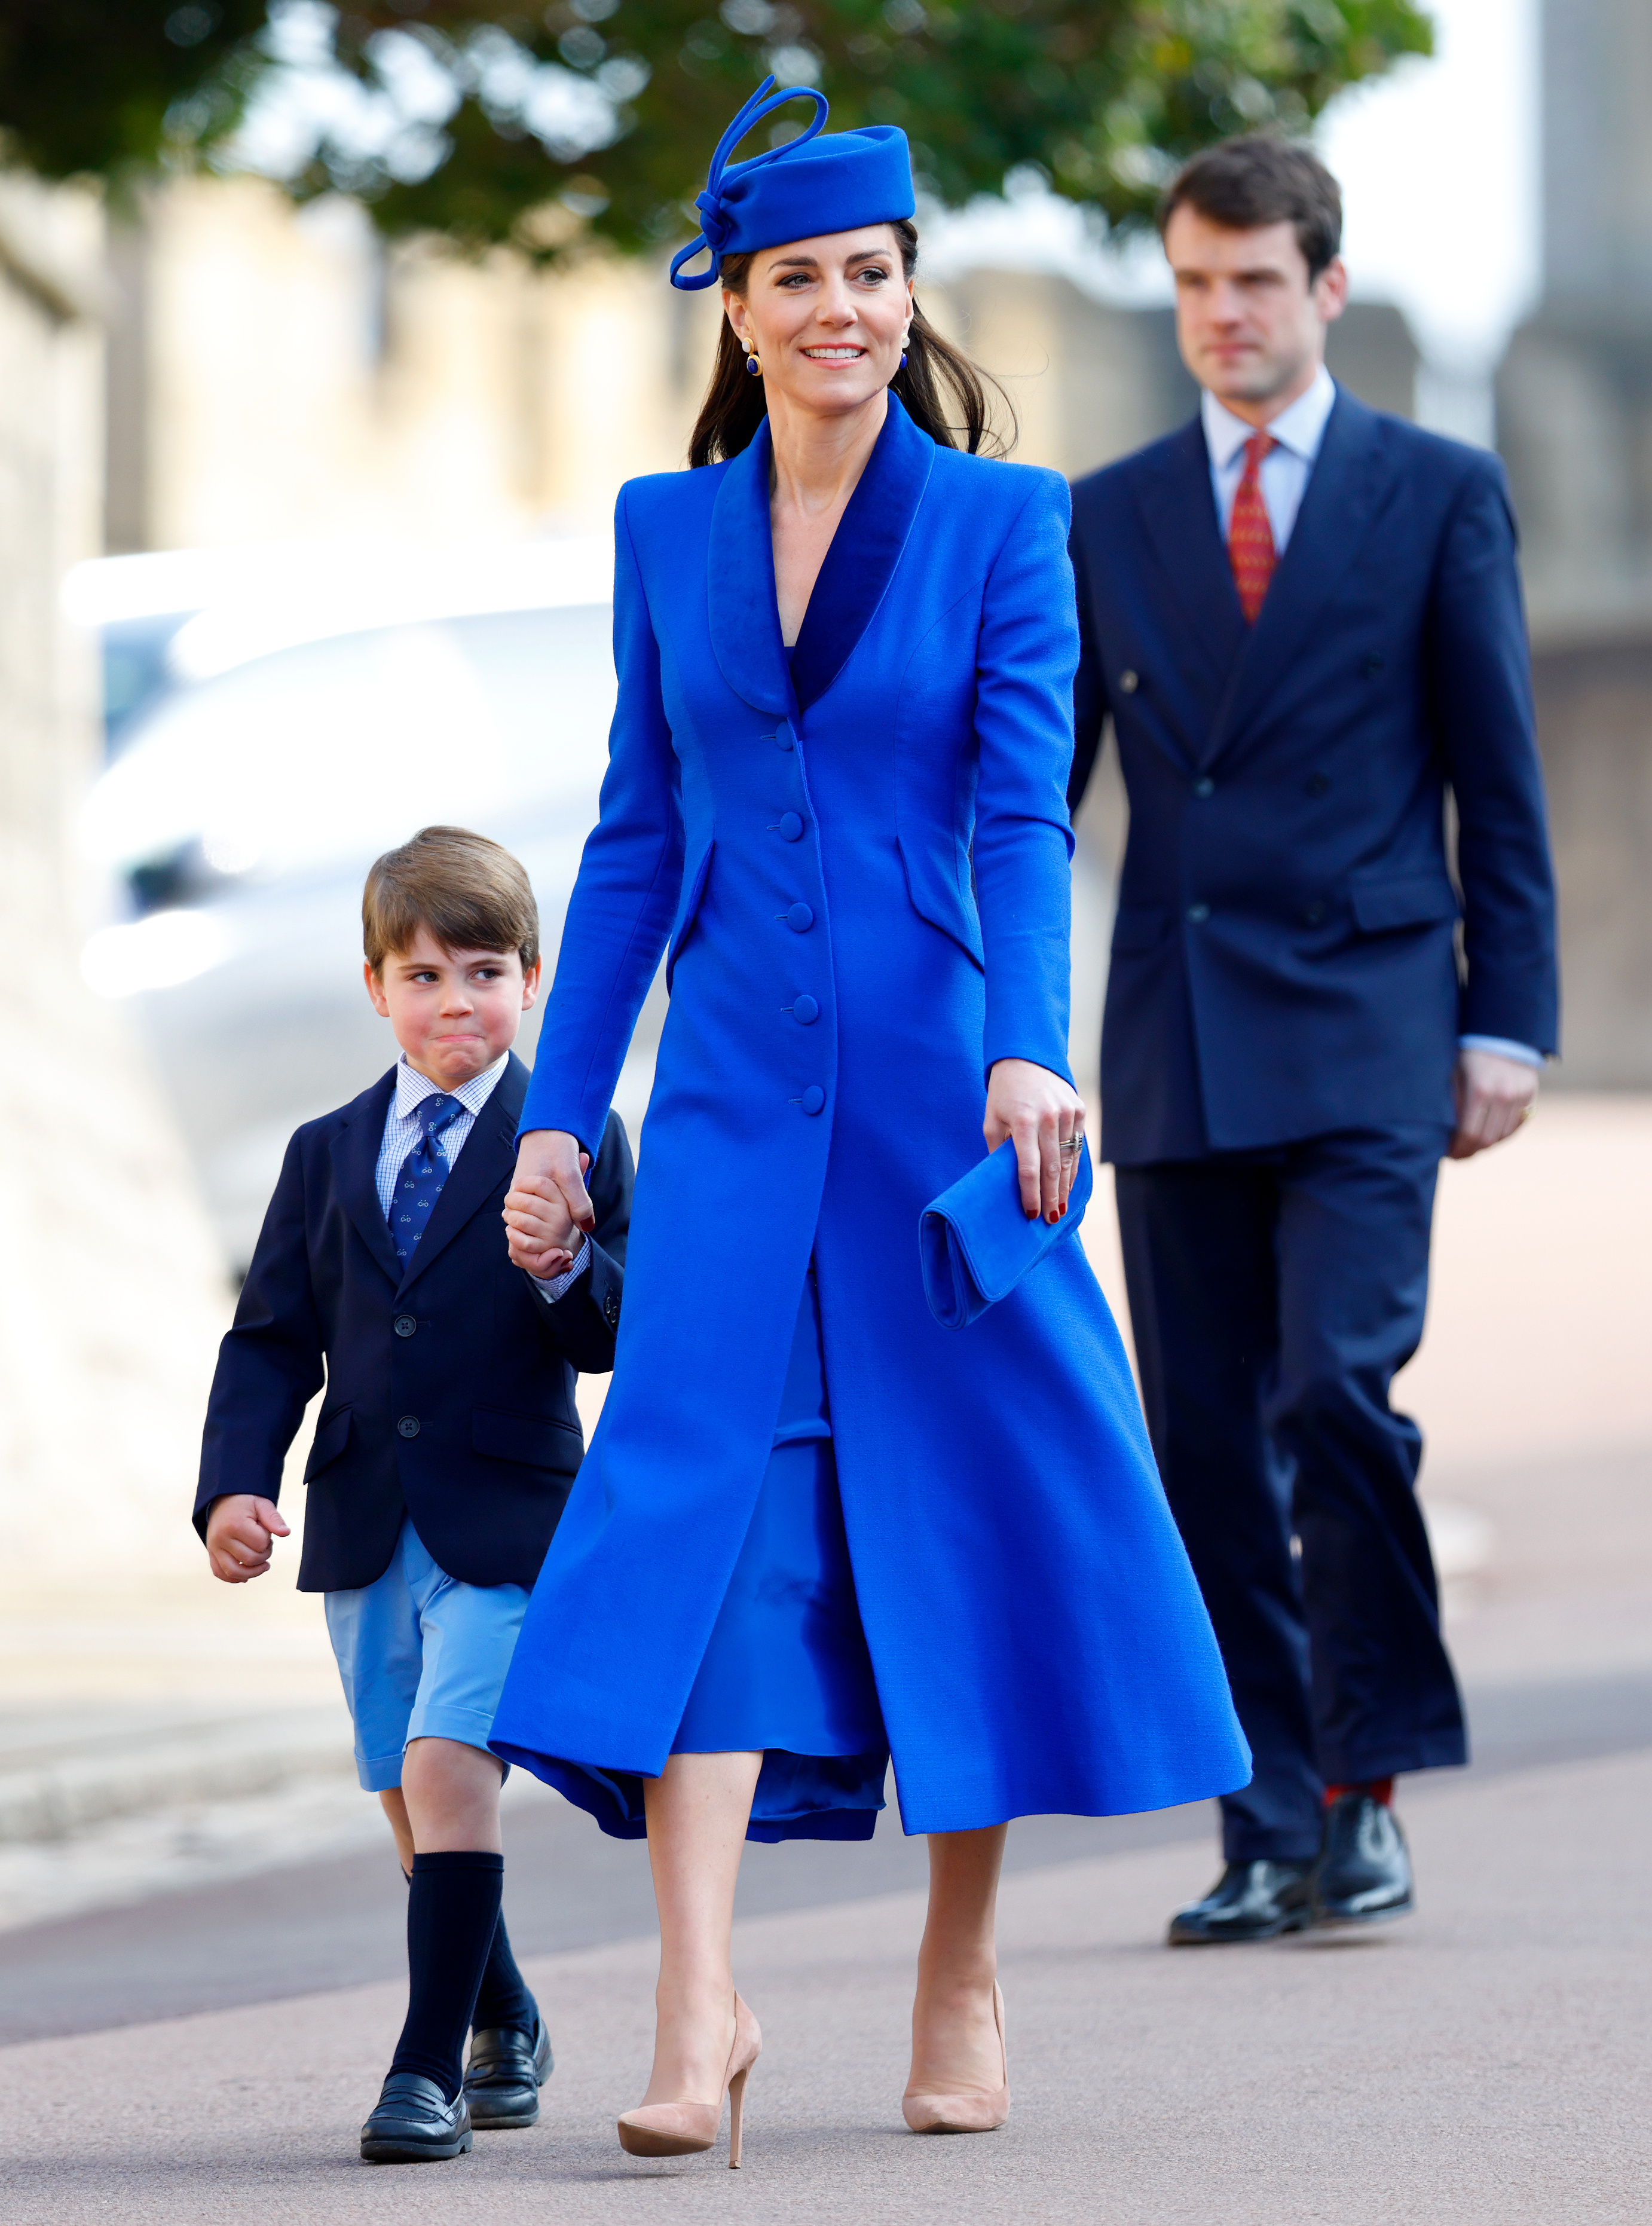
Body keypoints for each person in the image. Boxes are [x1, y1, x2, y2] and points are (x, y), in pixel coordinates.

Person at [491, 79, 1249, 2166]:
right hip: (731, 1104)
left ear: (914, 296)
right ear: (736, 310)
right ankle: (695, 2004)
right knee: (703, 1519)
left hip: (949, 1104)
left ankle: (961, 1965)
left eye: (873, 274)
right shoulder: (665, 530)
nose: (842, 308)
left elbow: (1023, 809)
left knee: (973, 1510)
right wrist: (567, 1116)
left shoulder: (1010, 528)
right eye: (799, 278)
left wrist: (1031, 1041)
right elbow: (641, 835)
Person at [1067, 136, 1560, 1945]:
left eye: (1253, 281)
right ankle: (1260, 1818)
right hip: (1173, 1035)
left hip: (1369, 1020)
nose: (1221, 316)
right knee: (1199, 1441)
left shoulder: (1433, 490)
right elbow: (1038, 811)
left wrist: (1505, 1017)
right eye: (1194, 284)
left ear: (1323, 288)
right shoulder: (1104, 512)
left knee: (1329, 1395)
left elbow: (1496, 783)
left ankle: (1360, 1786)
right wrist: (997, 1035)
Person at [194, 826, 634, 2161]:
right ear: (376, 986)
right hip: (360, 1517)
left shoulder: (572, 1137)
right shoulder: (325, 1152)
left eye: (486, 971)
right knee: (404, 1792)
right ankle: (503, 2011)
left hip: (505, 1516)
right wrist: (231, 1486)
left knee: (452, 1771)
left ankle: (423, 2069)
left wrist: (563, 1265)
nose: (457, 1002)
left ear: (536, 977)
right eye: (426, 973)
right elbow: (270, 1336)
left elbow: (622, 1328)